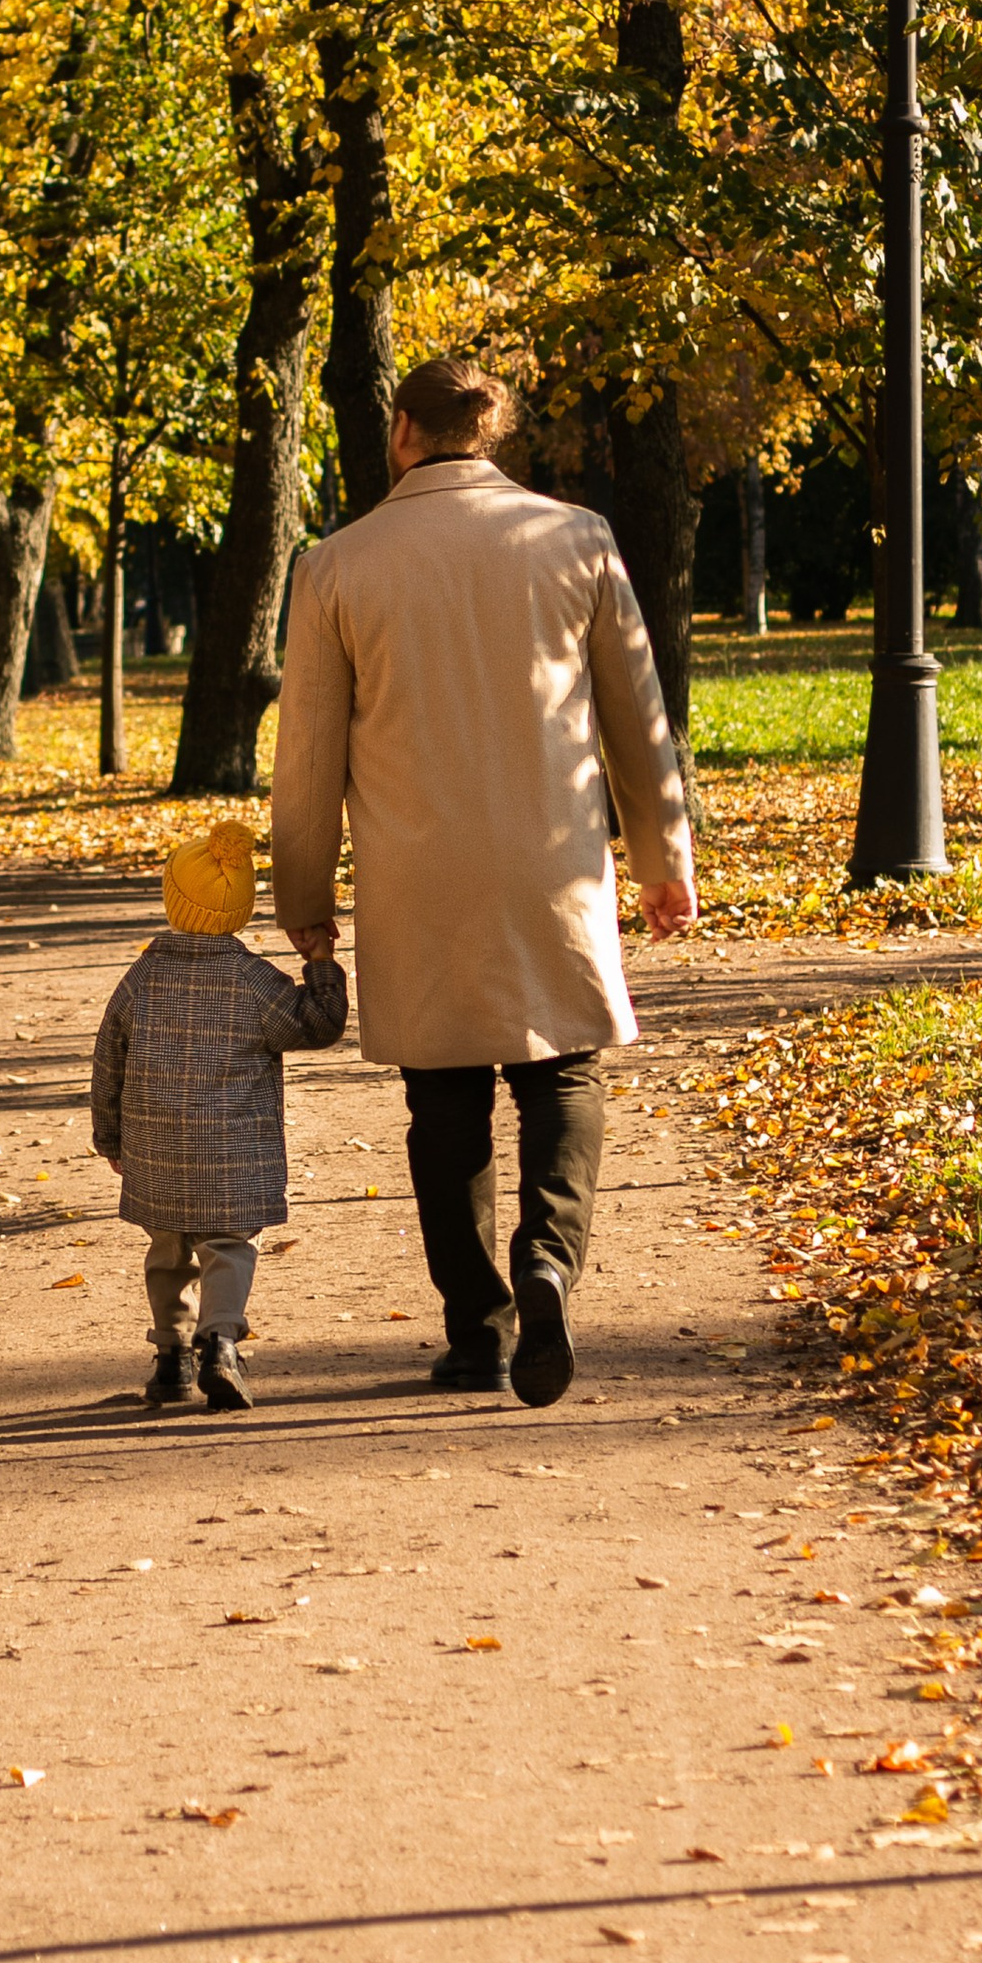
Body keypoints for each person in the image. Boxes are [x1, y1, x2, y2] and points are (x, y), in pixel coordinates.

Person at [270, 355, 695, 1408]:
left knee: (442, 1098)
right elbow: (636, 721)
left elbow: (309, 755)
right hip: (552, 861)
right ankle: (549, 1259)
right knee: (565, 1073)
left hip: (420, 873)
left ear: (403, 432)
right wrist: (663, 863)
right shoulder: (576, 539)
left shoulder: (337, 565)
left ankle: (476, 1327)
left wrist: (303, 899)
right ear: (487, 431)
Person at [90, 821, 347, 1414]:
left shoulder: (142, 977)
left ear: (173, 903)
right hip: (233, 1153)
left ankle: (171, 1359)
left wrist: (109, 1133)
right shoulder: (256, 982)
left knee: (167, 1251)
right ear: (241, 909)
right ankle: (222, 1343)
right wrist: (321, 961)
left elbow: (109, 1059)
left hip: (155, 1151)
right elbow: (321, 1024)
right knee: (228, 1245)